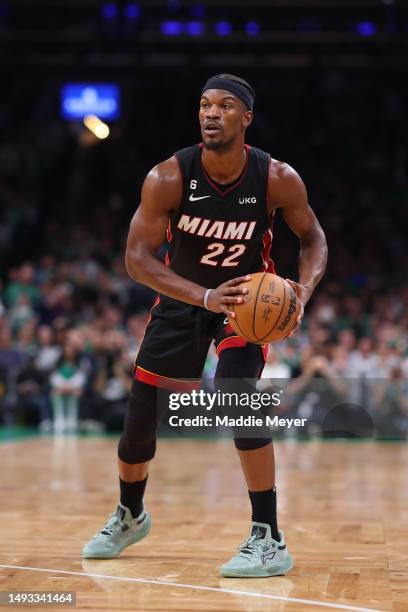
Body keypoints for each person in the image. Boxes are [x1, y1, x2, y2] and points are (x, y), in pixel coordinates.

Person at [82, 74, 327, 577]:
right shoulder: (168, 177)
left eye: (225, 105)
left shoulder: (276, 177)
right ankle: (130, 514)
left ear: (246, 118)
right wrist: (202, 296)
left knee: (239, 393)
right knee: (138, 425)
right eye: (204, 105)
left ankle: (268, 536)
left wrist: (303, 288)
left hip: (244, 302)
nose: (211, 113)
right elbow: (136, 258)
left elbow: (313, 238)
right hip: (183, 298)